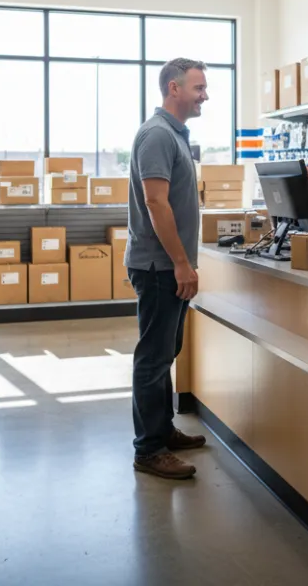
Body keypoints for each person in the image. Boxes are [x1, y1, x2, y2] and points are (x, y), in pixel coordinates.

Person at [126, 58, 209, 479]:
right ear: (174, 89)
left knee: (165, 353)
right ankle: (149, 449)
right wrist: (181, 263)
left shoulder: (174, 135)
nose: (205, 95)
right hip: (159, 267)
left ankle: (162, 430)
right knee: (153, 358)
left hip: (167, 266)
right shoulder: (157, 135)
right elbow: (155, 203)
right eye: (198, 88)